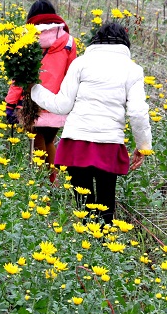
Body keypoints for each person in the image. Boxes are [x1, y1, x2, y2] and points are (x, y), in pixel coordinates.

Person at [31, 22, 152, 224]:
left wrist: (34, 89)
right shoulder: (133, 70)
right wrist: (143, 146)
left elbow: (62, 105)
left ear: (97, 39)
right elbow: (138, 112)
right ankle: (103, 246)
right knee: (106, 207)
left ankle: (86, 247)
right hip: (109, 145)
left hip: (76, 144)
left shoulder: (81, 63)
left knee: (84, 207)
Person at [5, 0, 77, 184]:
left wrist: (11, 103)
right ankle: (53, 179)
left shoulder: (25, 39)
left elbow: (18, 78)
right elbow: (72, 74)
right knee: (48, 142)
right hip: (57, 102)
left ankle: (41, 184)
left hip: (31, 102)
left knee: (36, 144)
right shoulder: (68, 41)